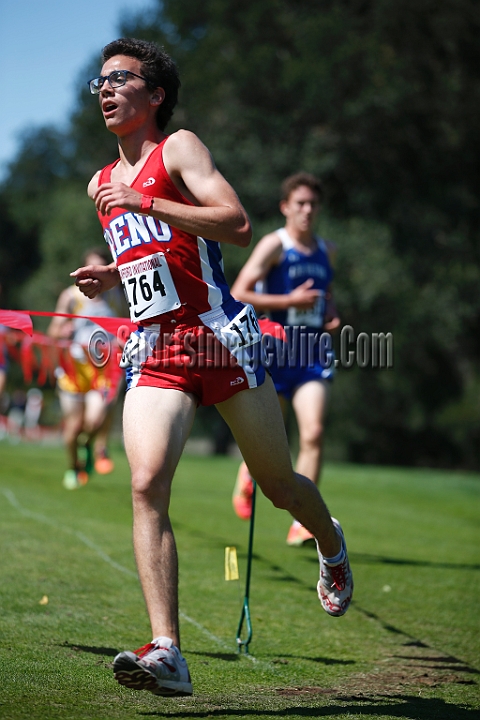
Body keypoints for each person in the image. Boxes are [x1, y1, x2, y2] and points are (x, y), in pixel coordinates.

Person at [71, 37, 353, 699]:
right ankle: (168, 650)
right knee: (146, 484)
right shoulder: (98, 184)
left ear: (156, 94)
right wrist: (112, 271)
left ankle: (329, 541)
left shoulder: (180, 149)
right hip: (158, 347)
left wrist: (147, 204)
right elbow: (155, 255)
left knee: (279, 483)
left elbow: (234, 223)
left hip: (220, 337)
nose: (106, 90)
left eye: (121, 79)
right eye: (99, 82)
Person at [230, 172, 340, 547]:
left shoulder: (327, 249)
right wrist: (289, 302)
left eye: (313, 204)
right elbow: (240, 290)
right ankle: (248, 473)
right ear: (286, 208)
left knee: (313, 432)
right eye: (300, 204)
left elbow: (327, 293)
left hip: (312, 353)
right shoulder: (273, 245)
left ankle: (302, 523)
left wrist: (331, 314)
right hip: (274, 351)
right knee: (268, 438)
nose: (307, 211)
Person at [48, 247, 125, 489]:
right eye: (88, 270)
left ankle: (91, 445)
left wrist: (122, 339)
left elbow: (125, 325)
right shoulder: (70, 296)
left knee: (94, 421)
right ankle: (73, 467)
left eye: (98, 269)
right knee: (73, 427)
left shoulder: (116, 296)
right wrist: (63, 330)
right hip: (74, 369)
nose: (92, 276)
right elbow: (53, 331)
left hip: (102, 369)